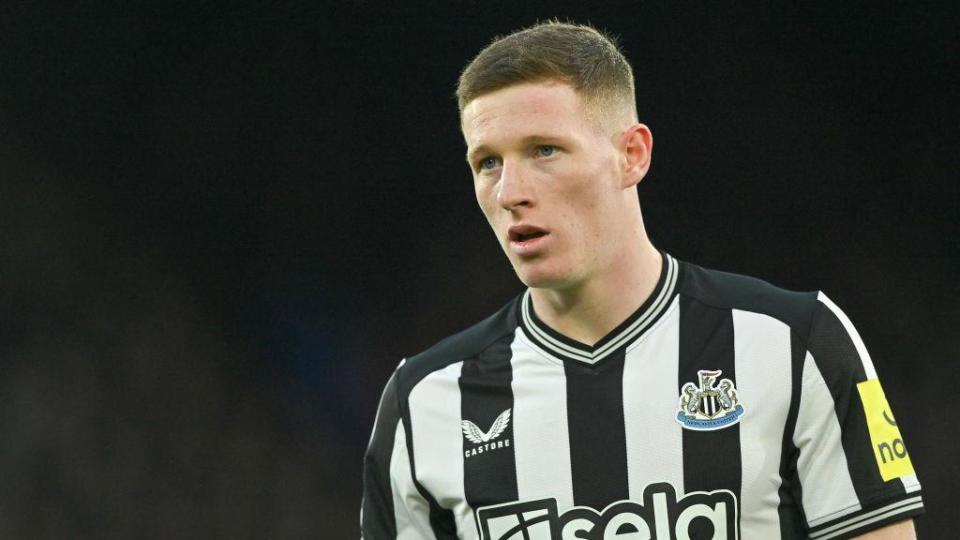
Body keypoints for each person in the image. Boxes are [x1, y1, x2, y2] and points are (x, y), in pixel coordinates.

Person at [361, 21, 923, 540]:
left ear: (631, 155)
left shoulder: (793, 343)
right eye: (487, 162)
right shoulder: (425, 400)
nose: (510, 192)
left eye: (545, 150)